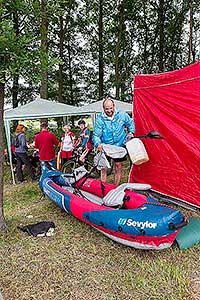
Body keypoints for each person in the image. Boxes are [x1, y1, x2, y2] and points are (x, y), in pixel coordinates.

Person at [93, 96, 135, 185]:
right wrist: (98, 144)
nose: (109, 111)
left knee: (118, 166)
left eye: (111, 108)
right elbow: (96, 135)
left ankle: (116, 187)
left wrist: (131, 132)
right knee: (103, 168)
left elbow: (130, 123)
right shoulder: (100, 119)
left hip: (119, 146)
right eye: (106, 109)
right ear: (103, 109)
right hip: (105, 146)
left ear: (114, 106)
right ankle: (103, 188)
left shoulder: (122, 115)